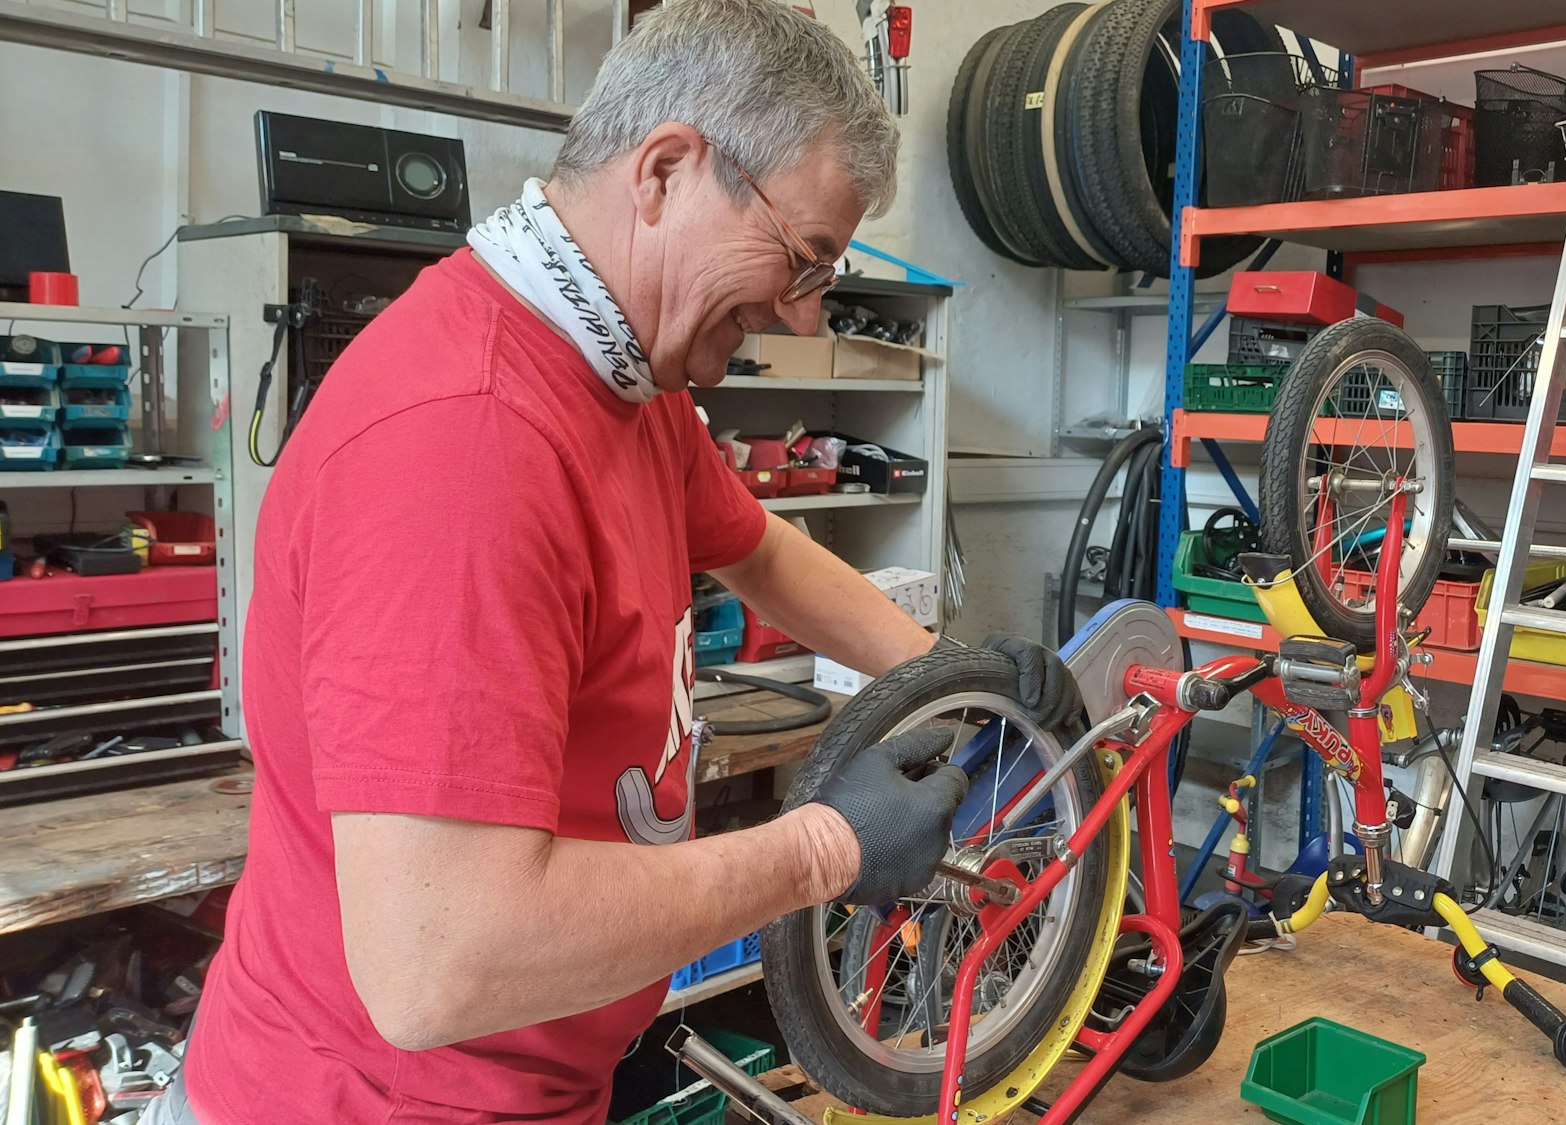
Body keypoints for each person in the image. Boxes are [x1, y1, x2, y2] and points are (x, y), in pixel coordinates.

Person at [157, 2, 1078, 1121]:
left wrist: (964, 683)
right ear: (666, 172)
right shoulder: (468, 445)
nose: (796, 314)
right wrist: (824, 850)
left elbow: (763, 550)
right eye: (801, 260)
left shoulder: (621, 378)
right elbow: (438, 963)